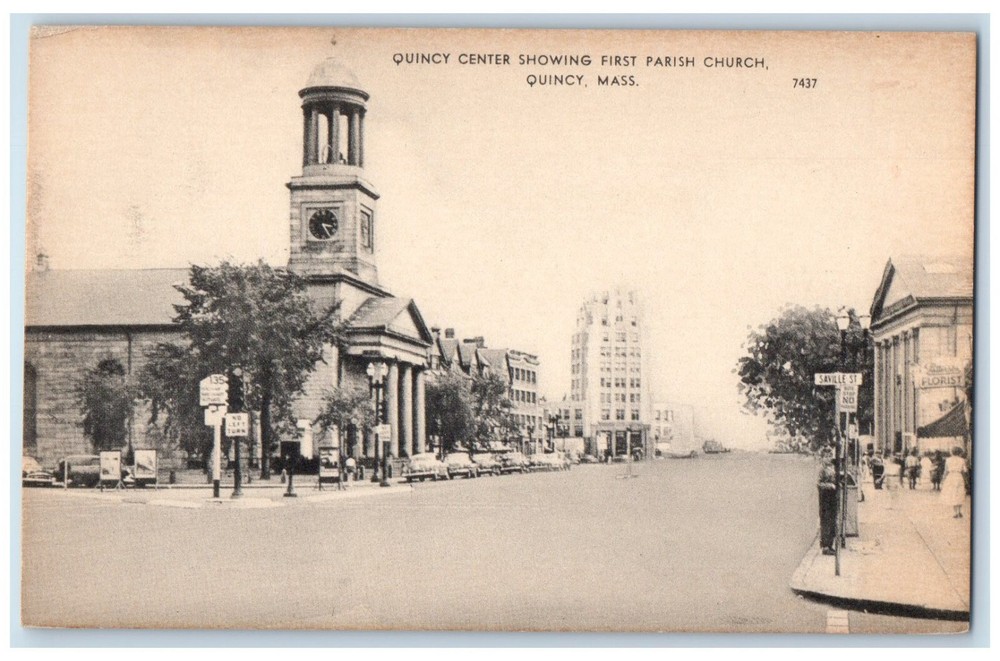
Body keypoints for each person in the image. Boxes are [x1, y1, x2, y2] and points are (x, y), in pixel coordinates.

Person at [817, 452, 838, 555]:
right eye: (826, 456)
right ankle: (825, 546)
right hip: (825, 496)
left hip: (832, 496)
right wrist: (829, 485)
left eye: (830, 456)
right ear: (823, 457)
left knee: (832, 520)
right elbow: (819, 483)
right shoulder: (821, 468)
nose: (829, 458)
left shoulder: (832, 467)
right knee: (826, 520)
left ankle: (830, 544)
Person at [941, 446, 968, 518]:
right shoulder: (962, 460)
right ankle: (959, 511)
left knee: (952, 494)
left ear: (952, 452)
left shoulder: (948, 460)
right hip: (959, 477)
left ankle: (956, 512)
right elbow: (965, 471)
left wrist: (943, 479)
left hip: (951, 477)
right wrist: (966, 480)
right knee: (959, 493)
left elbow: (945, 471)